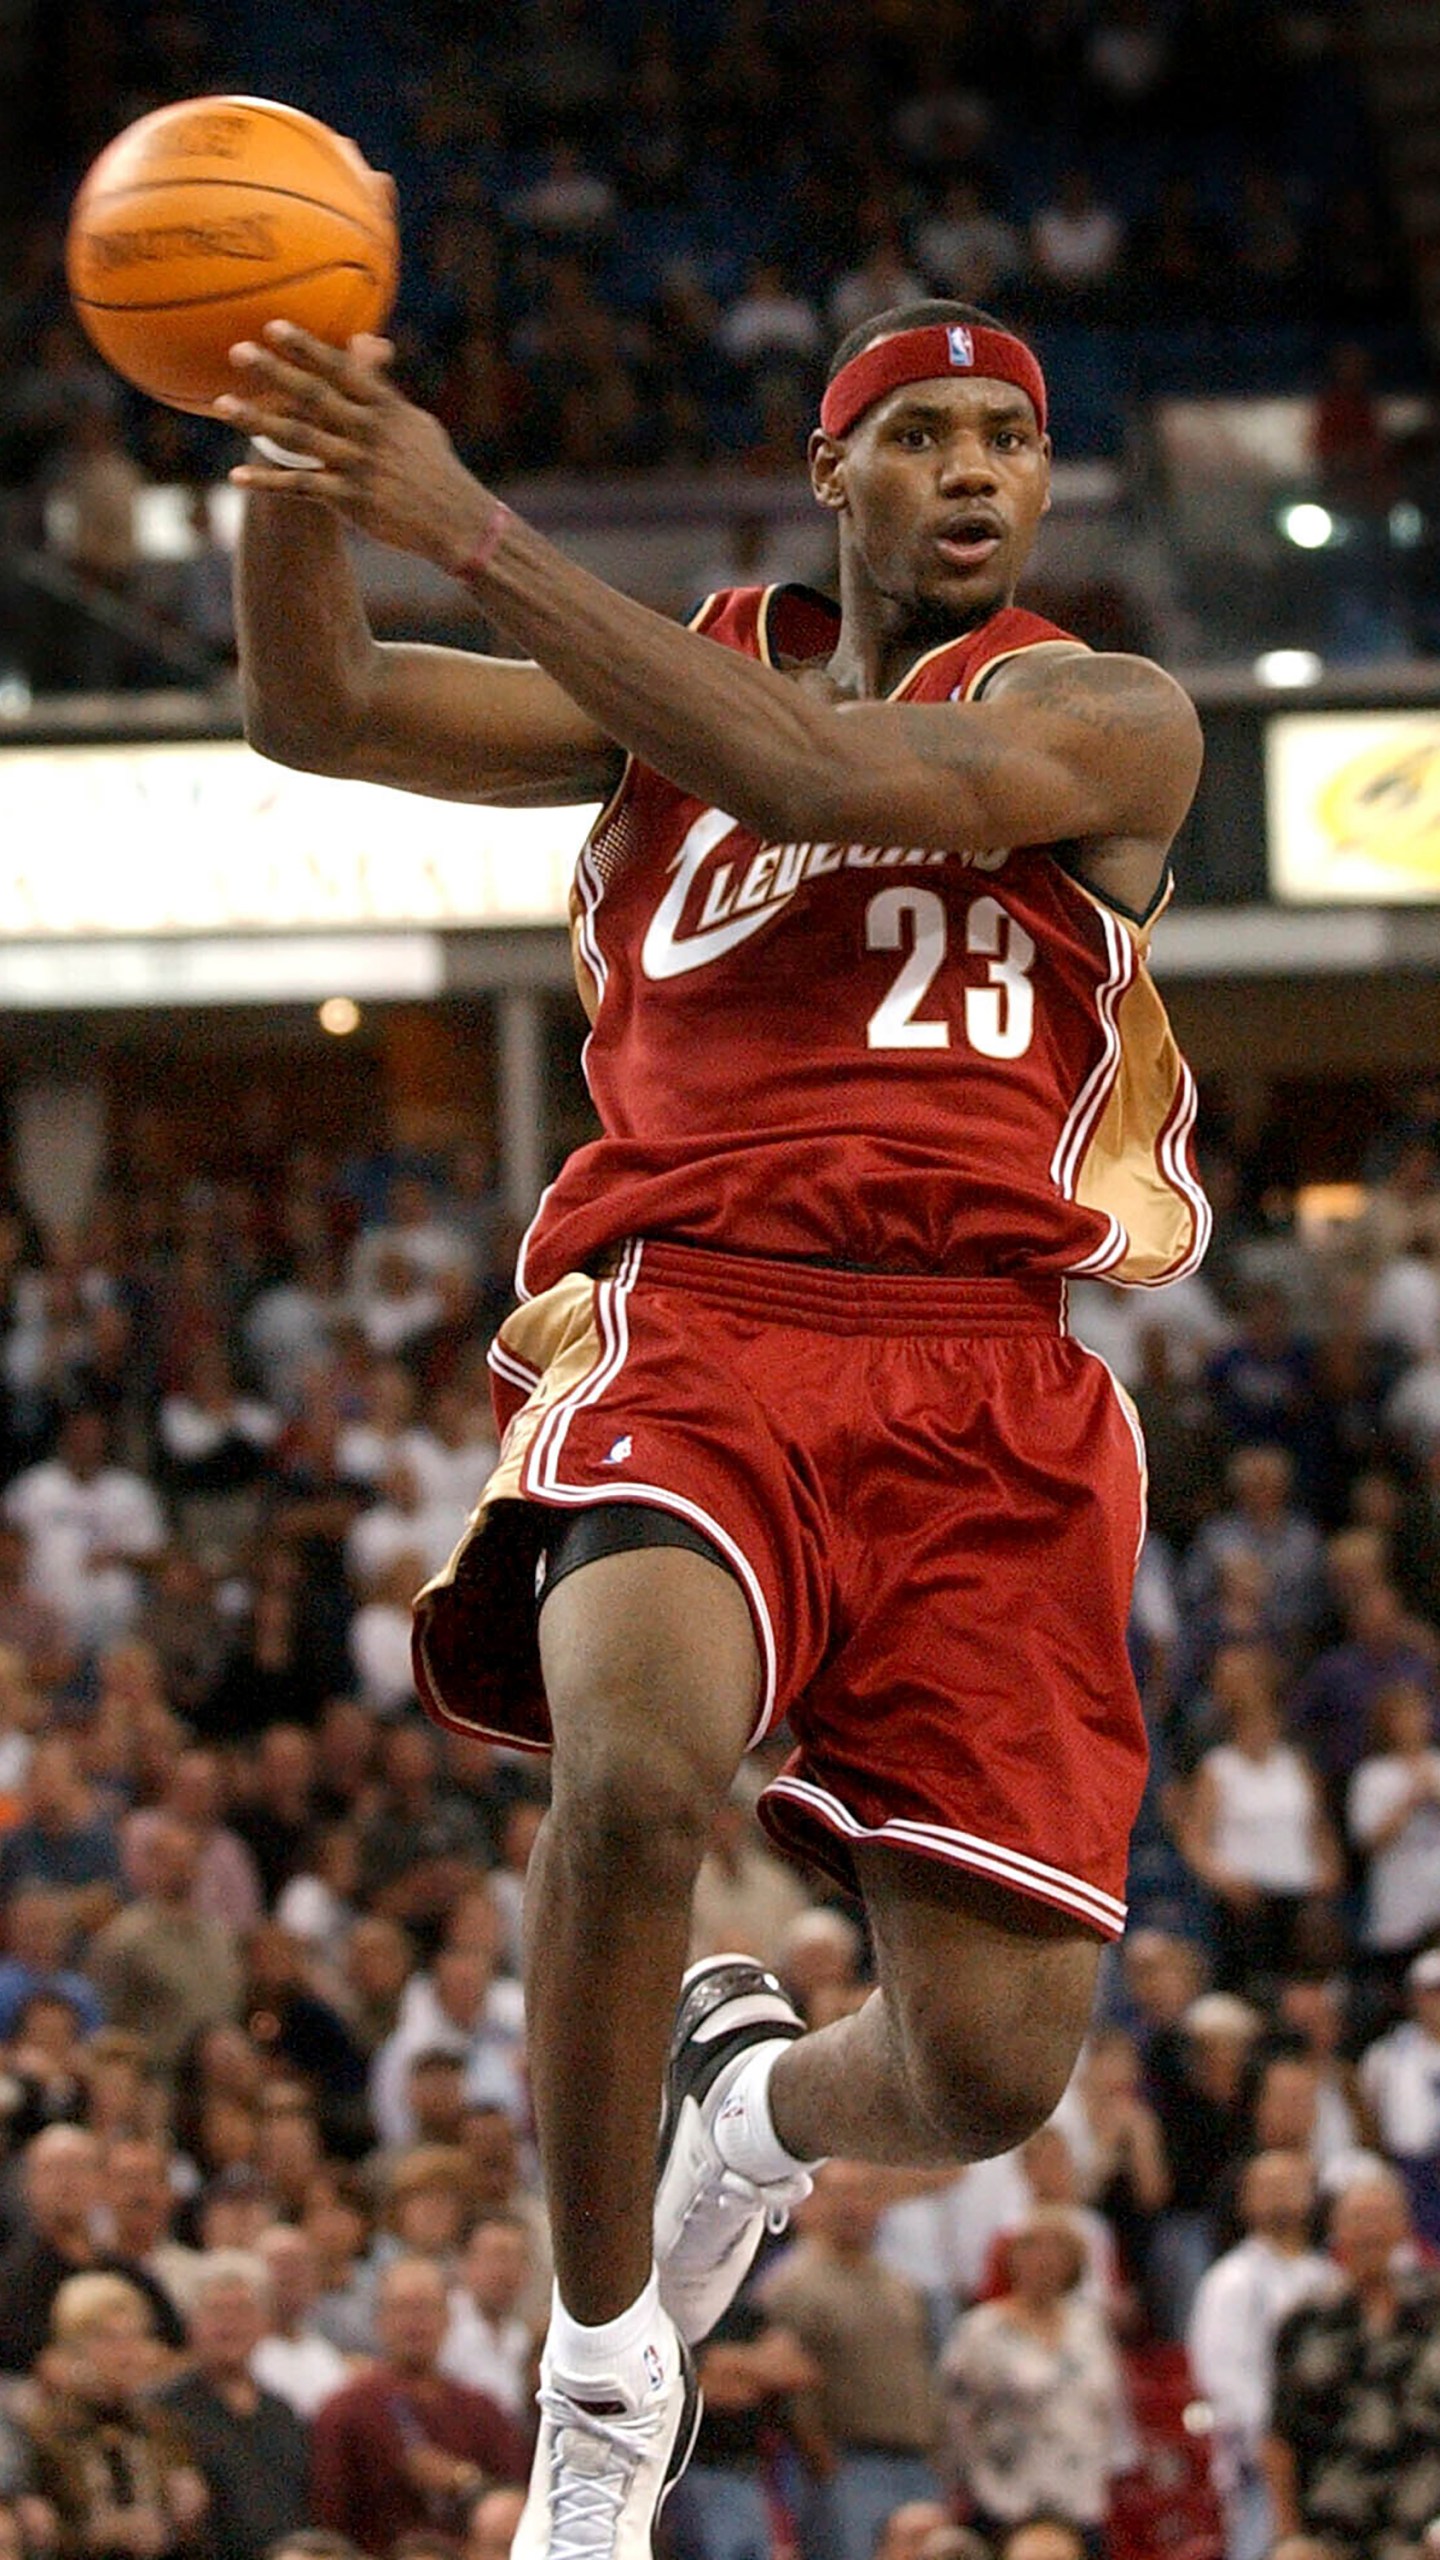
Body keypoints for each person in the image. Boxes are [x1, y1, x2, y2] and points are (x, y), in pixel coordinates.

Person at [224, 281, 1207, 2560]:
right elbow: (316, 702)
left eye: (1007, 435)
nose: (972, 467)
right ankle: (595, 2359)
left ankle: (749, 2110)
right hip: (702, 1316)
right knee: (638, 1768)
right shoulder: (647, 707)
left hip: (989, 1375)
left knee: (980, 2071)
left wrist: (461, 519)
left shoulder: (1103, 709)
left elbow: (832, 777)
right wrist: (277, 459)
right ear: (825, 467)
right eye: (921, 431)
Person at [309, 2256, 528, 2557]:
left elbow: (517, 2505)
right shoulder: (345, 2411)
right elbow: (328, 2521)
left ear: (448, 2319)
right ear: (379, 2320)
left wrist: (465, 2480)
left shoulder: (482, 2411)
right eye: (402, 2309)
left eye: (427, 2308)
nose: (415, 2322)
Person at [1186, 2152, 1331, 2560]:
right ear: (1245, 2201)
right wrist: (1279, 2446)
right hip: (1262, 2469)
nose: (1281, 2196)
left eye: (1291, 2185)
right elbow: (1223, 2380)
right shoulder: (1231, 2280)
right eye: (1267, 2188)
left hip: (1330, 2460)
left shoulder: (1328, 2277)